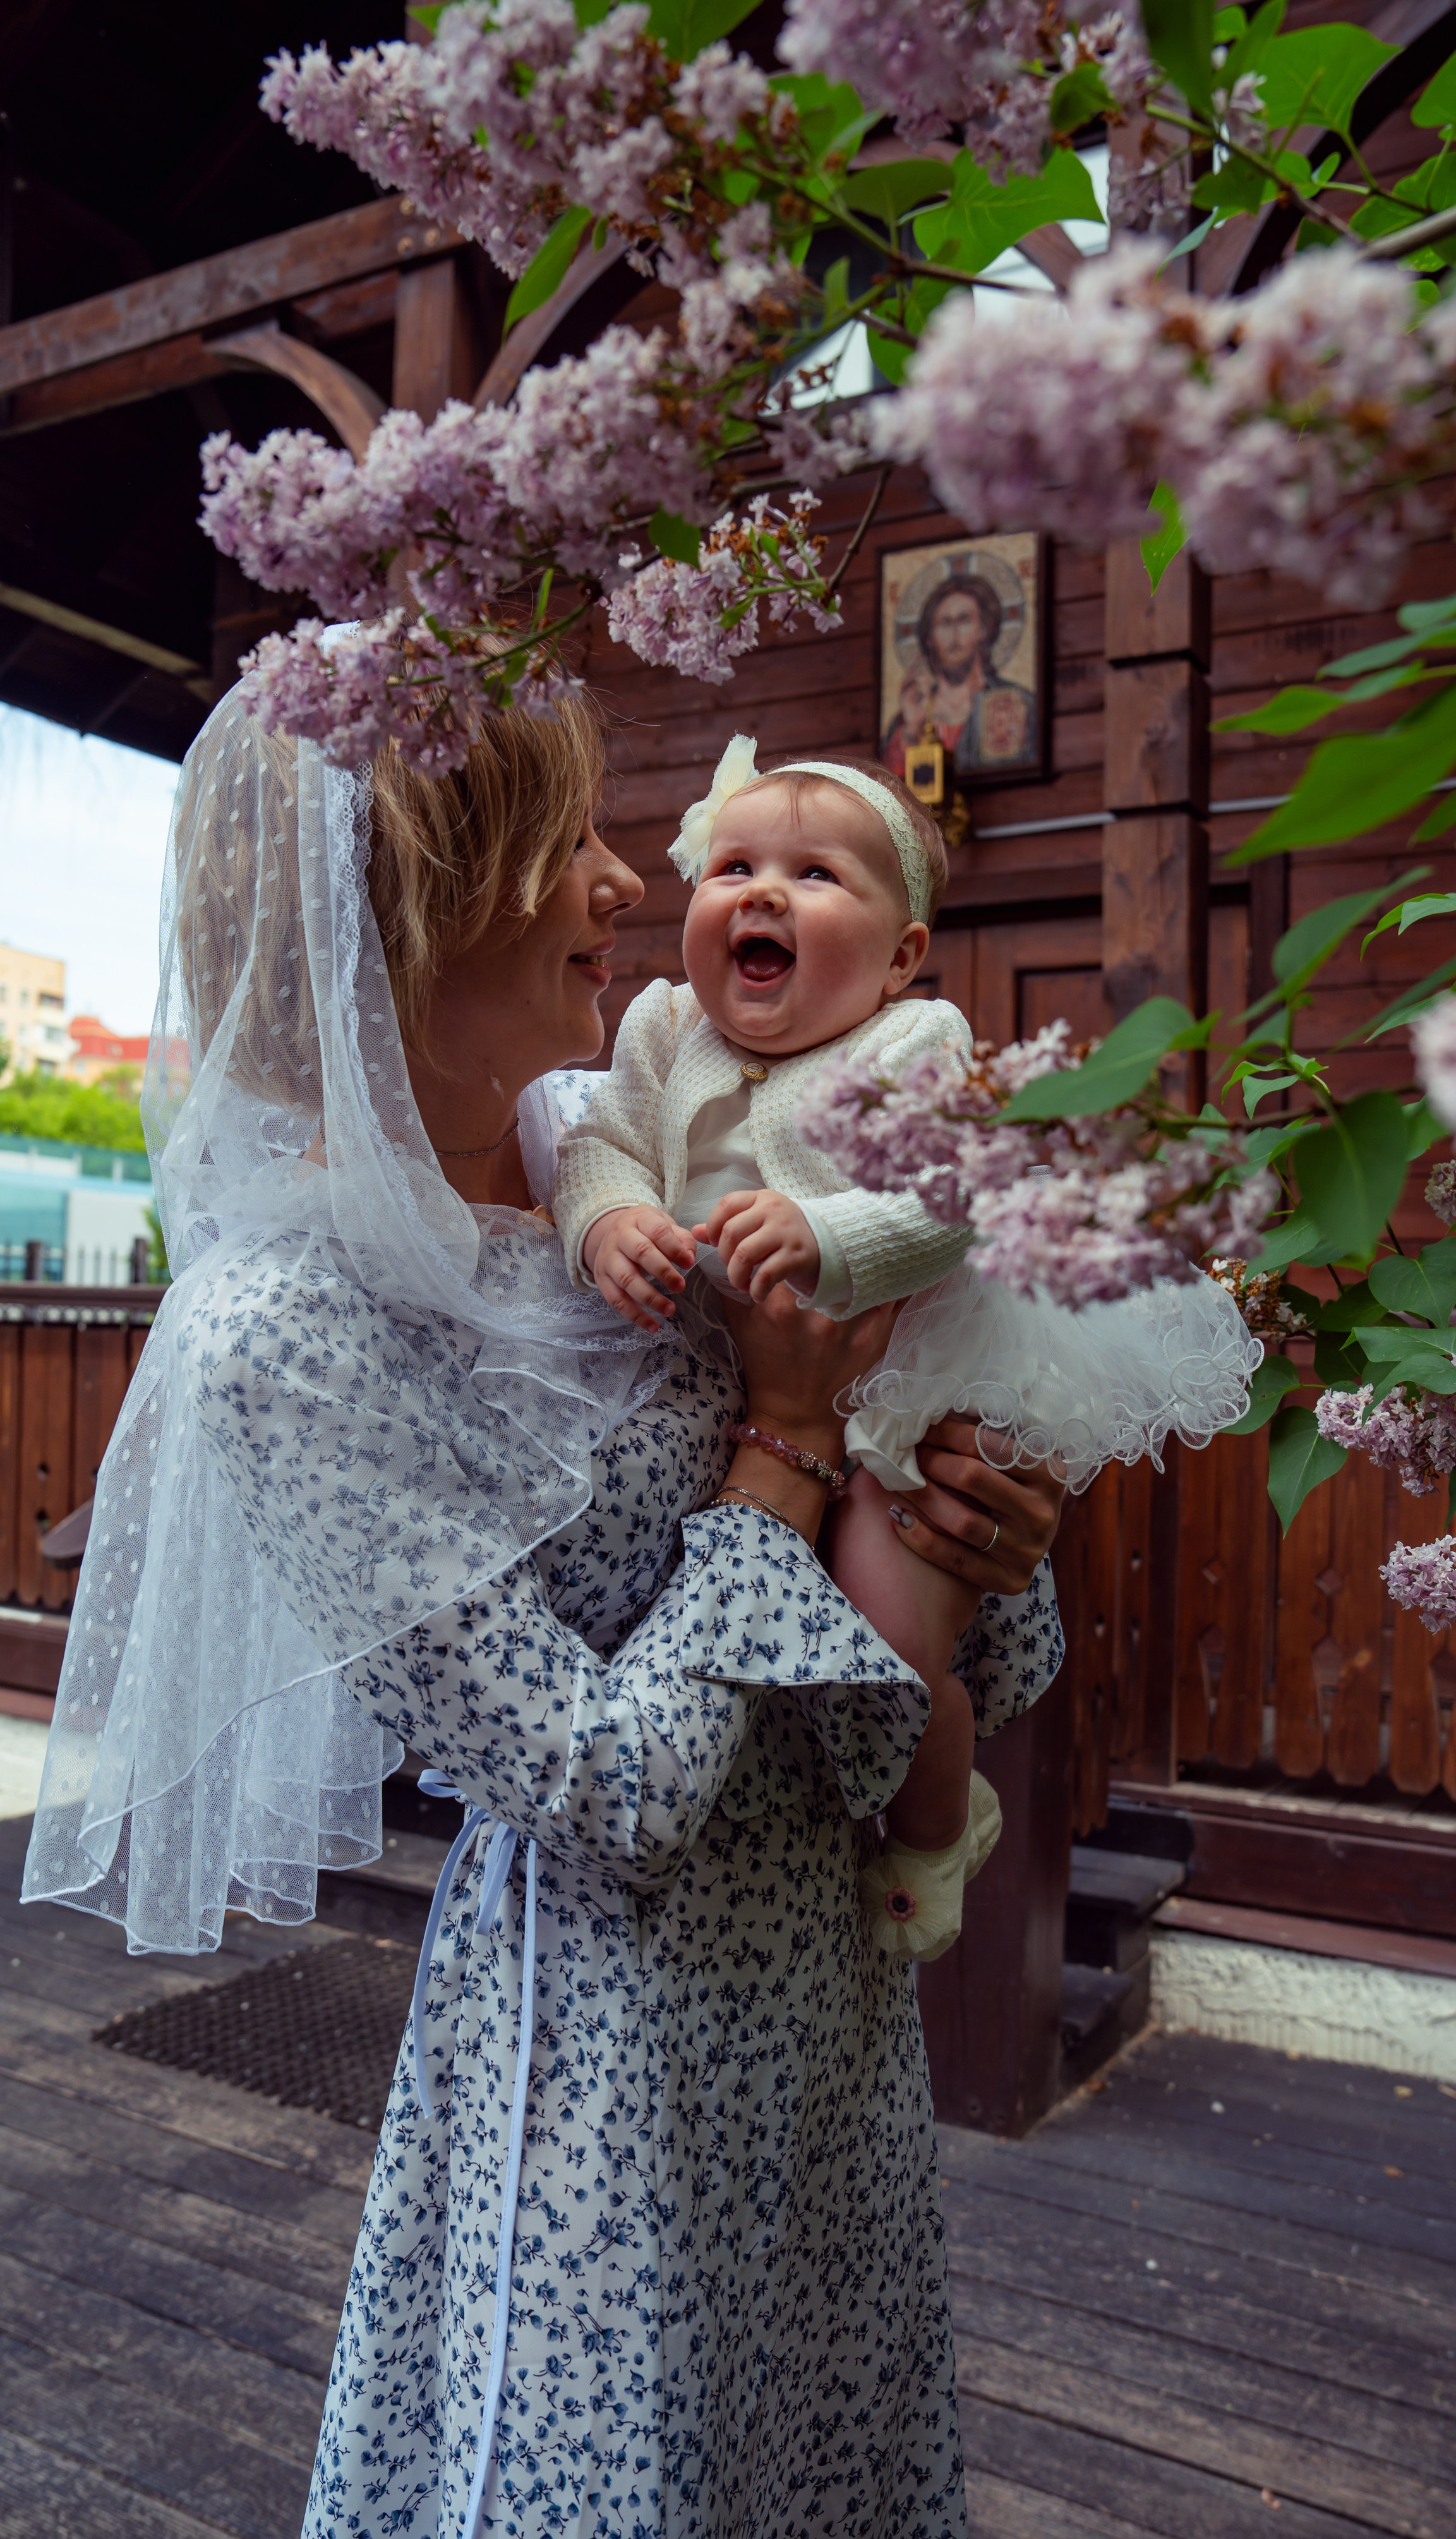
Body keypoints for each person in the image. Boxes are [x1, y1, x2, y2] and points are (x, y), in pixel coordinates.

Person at [23, 683, 1066, 2539]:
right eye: (558, 846)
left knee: (823, 2448)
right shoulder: (297, 1332)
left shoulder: (629, 1130)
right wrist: (792, 1441)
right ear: (409, 910)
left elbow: (957, 1621)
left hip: (823, 1985)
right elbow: (616, 1788)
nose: (614, 878)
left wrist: (987, 1536)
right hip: (609, 2050)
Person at [557, 737, 1259, 1960]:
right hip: (749, 1399)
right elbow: (600, 1146)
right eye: (732, 866)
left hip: (895, 1386)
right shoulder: (665, 1028)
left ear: (900, 959)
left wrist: (827, 1238)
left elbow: (947, 1201)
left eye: (818, 875)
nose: (762, 892)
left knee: (889, 1634)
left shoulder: (911, 1044)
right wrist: (610, 1218)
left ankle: (936, 1829)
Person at [881, 570, 1038, 778]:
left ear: (983, 629)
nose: (954, 634)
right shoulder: (908, 718)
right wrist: (911, 729)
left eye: (964, 620)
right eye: (944, 623)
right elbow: (889, 787)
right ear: (930, 637)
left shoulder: (1016, 702)